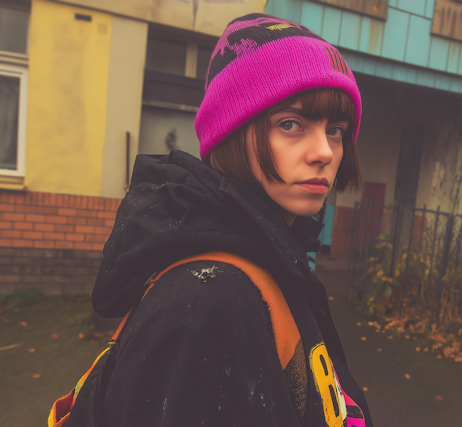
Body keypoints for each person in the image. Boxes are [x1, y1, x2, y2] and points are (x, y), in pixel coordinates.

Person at [87, 13, 373, 427]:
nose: (325, 152)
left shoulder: (276, 258)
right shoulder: (208, 304)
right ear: (233, 132)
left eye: (336, 130)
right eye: (291, 124)